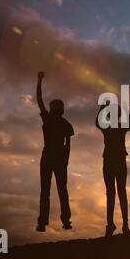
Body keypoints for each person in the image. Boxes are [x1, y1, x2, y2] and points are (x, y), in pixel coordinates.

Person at [36, 71, 74, 232]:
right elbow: (68, 146)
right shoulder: (63, 123)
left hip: (51, 157)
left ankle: (44, 222)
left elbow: (39, 100)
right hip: (56, 158)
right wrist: (65, 161)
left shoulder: (51, 120)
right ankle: (61, 221)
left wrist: (39, 81)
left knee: (48, 190)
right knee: (60, 190)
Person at [96, 102, 130, 237]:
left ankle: (116, 224)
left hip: (112, 161)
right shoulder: (119, 126)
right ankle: (121, 225)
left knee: (112, 192)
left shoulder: (110, 127)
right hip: (115, 161)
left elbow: (98, 122)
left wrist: (102, 107)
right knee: (118, 191)